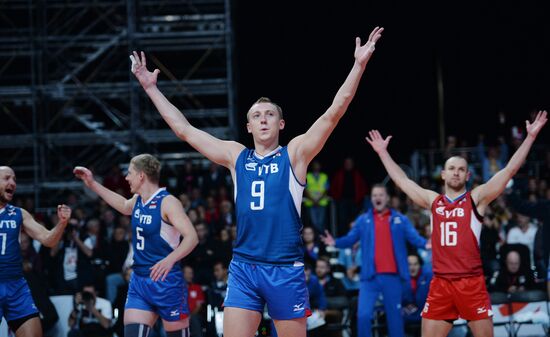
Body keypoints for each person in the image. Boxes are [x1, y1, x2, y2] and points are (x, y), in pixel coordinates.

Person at [130, 25, 384, 337]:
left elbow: (335, 112)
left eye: (268, 114)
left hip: (284, 268)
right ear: (248, 126)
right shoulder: (237, 156)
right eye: (256, 115)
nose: (262, 118)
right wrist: (151, 89)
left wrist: (358, 65)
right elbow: (184, 130)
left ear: (281, 123)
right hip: (244, 267)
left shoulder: (295, 154)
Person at [364, 110, 547, 337]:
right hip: (441, 284)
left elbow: (509, 170)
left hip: (471, 283)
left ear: (468, 175)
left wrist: (529, 138)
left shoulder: (476, 199)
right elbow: (402, 180)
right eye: (452, 169)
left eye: (461, 169)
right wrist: (382, 152)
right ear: (443, 174)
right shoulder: (433, 201)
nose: (456, 173)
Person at [73, 154, 199, 337]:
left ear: (141, 175)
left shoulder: (168, 202)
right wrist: (92, 184)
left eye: (130, 173)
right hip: (139, 281)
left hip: (166, 281)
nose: (126, 178)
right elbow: (123, 205)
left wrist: (169, 260)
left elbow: (192, 237)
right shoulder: (138, 200)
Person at [322, 184, 427, 337]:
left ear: (387, 198)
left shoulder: (400, 219)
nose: (378, 198)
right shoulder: (363, 220)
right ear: (371, 199)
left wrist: (427, 244)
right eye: (374, 195)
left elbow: (415, 239)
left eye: (381, 195)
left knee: (395, 319)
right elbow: (351, 239)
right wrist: (335, 242)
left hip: (393, 277)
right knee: (363, 316)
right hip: (370, 278)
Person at [0, 166, 71, 337]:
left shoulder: (18, 214)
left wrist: (61, 223)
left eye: (15, 180)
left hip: (16, 286)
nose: (13, 183)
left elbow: (48, 239)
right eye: (7, 178)